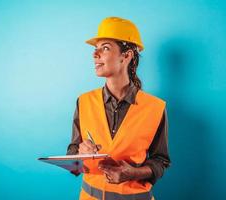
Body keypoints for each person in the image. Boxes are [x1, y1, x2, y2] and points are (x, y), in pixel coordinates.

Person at [67, 16, 170, 200]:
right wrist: (80, 156)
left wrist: (133, 173)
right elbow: (73, 165)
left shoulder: (155, 107)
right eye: (95, 49)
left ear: (127, 55)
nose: (95, 54)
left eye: (105, 48)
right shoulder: (83, 101)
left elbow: (160, 162)